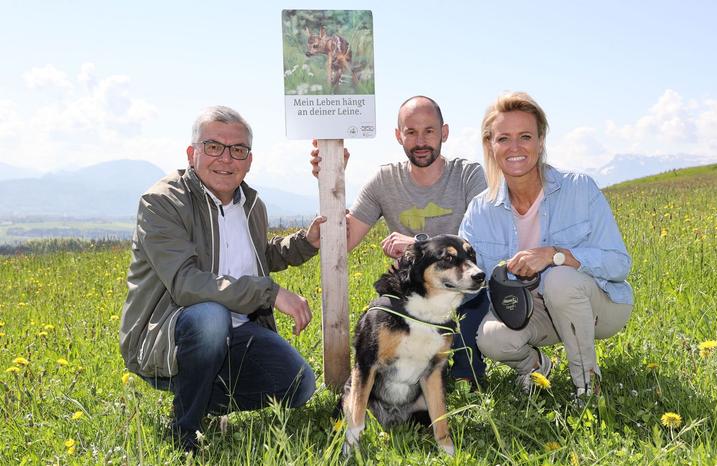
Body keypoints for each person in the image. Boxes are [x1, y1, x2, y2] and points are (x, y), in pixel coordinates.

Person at [120, 106, 324, 452]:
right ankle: (185, 428)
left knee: (299, 385)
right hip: (170, 333)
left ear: (249, 159)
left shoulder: (250, 203)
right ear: (192, 153)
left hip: (240, 332)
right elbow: (186, 282)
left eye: (238, 150)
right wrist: (269, 293)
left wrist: (306, 241)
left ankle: (207, 398)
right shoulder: (163, 202)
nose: (226, 159)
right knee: (210, 316)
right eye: (214, 146)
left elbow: (259, 255)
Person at [459, 92, 633, 397]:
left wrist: (557, 256)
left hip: (599, 306)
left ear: (541, 141)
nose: (515, 147)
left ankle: (587, 385)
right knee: (491, 337)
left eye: (525, 136)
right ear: (490, 145)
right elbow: (464, 280)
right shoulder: (479, 209)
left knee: (559, 279)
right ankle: (535, 366)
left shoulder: (579, 188)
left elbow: (619, 263)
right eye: (503, 138)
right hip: (532, 311)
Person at [310, 96, 489, 387]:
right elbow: (344, 241)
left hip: (463, 291)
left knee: (464, 376)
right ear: (398, 136)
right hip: (415, 292)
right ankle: (382, 374)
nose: (420, 141)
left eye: (429, 131)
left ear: (444, 132)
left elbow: (482, 243)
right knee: (380, 313)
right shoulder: (384, 181)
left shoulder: (468, 175)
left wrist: (417, 244)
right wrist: (330, 177)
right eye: (411, 132)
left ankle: (465, 365)